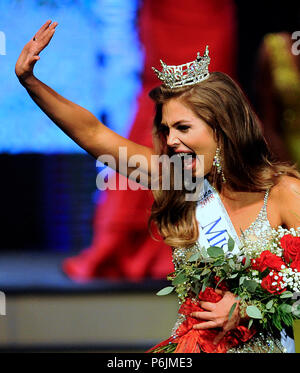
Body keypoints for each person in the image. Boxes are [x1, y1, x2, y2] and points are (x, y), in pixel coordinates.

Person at [15, 21, 300, 353]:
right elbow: (95, 134)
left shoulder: (284, 192)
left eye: (182, 127)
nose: (171, 141)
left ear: (221, 128)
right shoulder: (181, 180)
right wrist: (30, 82)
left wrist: (255, 304)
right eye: (165, 129)